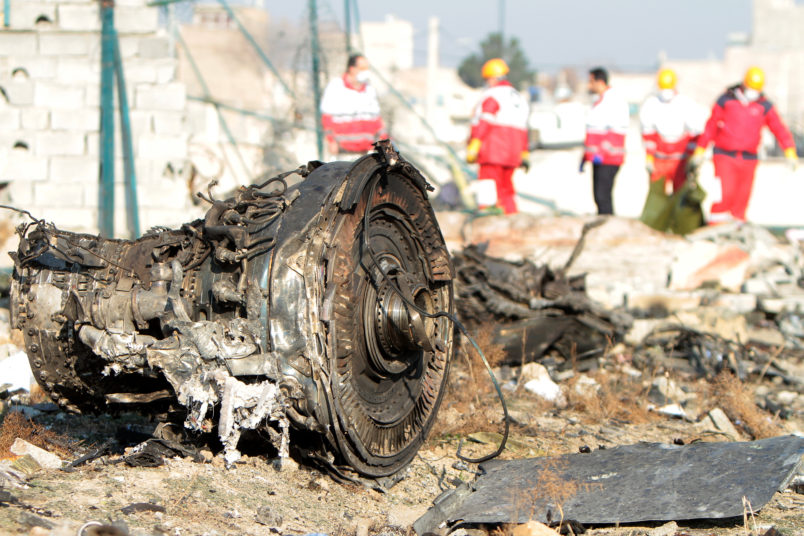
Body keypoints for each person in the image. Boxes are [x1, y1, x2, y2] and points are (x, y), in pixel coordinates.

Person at [689, 66, 799, 222]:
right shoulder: (726, 100)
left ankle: (737, 230)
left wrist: (789, 151)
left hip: (749, 158)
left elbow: (779, 128)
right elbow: (711, 126)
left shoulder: (764, 105)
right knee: (724, 194)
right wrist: (700, 150)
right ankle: (715, 227)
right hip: (725, 156)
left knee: (742, 198)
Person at [466, 58, 530, 214]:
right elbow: (523, 128)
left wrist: (474, 145)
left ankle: (486, 219)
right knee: (506, 189)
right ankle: (512, 218)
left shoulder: (492, 95)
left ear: (493, 77)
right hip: (513, 153)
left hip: (492, 151)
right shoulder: (519, 98)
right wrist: (524, 152)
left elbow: (484, 122)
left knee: (487, 185)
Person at [640, 68, 705, 193]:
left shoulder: (685, 103)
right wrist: (649, 158)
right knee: (657, 193)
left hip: (680, 159)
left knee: (681, 193)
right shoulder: (651, 104)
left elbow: (695, 132)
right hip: (659, 158)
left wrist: (693, 156)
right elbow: (648, 135)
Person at [581, 67, 629, 215]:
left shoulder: (613, 101)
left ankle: (608, 228)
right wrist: (585, 157)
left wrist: (602, 152)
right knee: (598, 196)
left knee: (603, 197)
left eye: (591, 81)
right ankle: (603, 224)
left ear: (599, 81)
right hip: (599, 158)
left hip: (608, 158)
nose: (589, 85)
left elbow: (615, 131)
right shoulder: (601, 102)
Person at [320, 53, 387, 156]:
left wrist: (384, 140)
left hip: (367, 152)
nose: (366, 71)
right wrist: (331, 141)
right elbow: (327, 119)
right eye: (362, 68)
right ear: (352, 68)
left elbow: (377, 121)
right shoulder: (336, 87)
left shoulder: (369, 90)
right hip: (343, 152)